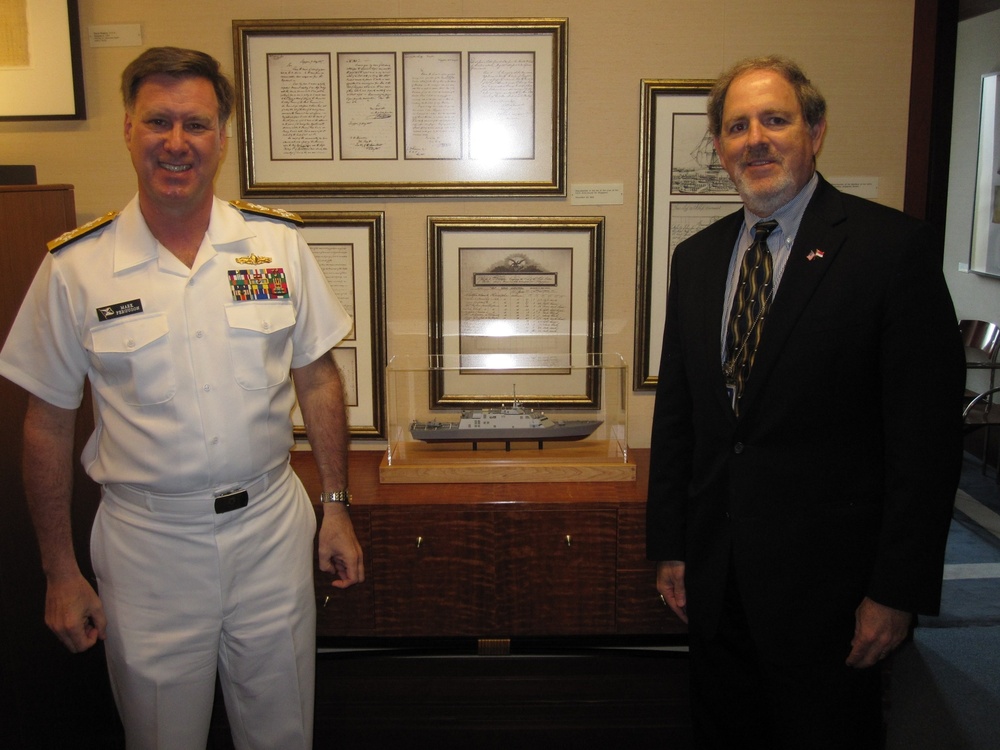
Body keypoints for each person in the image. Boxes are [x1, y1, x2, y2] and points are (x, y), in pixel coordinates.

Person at [0, 47, 365, 748]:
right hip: (148, 548)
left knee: (283, 731)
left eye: (195, 124)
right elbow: (45, 422)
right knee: (162, 737)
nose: (176, 143)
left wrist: (337, 509)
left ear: (222, 138)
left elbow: (317, 377)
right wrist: (59, 570)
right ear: (129, 130)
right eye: (157, 122)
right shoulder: (76, 269)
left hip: (269, 531)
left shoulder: (274, 247)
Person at [645, 55, 965, 749]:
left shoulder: (890, 250)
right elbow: (681, 414)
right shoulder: (696, 259)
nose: (755, 138)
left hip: (833, 597)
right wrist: (671, 547)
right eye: (736, 126)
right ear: (721, 149)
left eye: (775, 119)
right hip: (717, 582)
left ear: (814, 131)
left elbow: (926, 443)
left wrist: (896, 591)